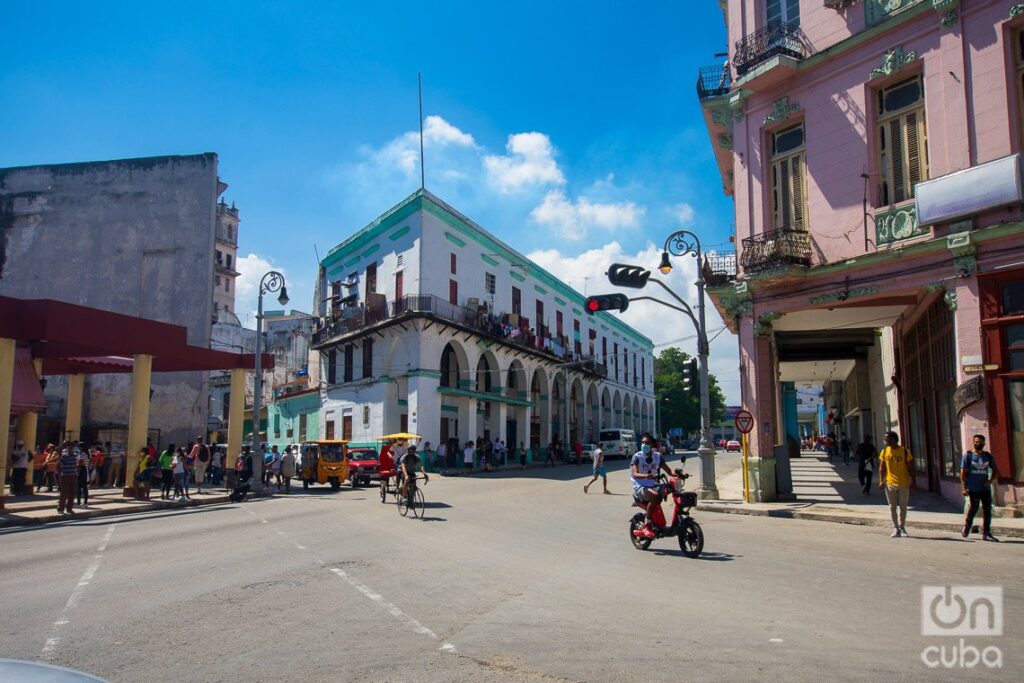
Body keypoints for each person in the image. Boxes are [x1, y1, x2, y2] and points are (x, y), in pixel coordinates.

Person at [630, 437, 673, 538]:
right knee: (655, 496)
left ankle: (662, 522)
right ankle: (647, 524)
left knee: (671, 488)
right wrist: (646, 476)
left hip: (654, 485)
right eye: (643, 442)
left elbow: (670, 472)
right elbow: (635, 474)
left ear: (652, 445)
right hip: (640, 486)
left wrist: (681, 474)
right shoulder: (637, 456)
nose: (644, 444)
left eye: (647, 442)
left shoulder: (657, 456)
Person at [960, 434, 1000, 542]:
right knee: (974, 508)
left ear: (984, 443)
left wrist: (990, 481)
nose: (977, 444)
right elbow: (962, 473)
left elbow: (996, 470)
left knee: (987, 510)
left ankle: (986, 533)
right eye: (976, 442)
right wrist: (963, 488)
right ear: (973, 443)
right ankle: (967, 527)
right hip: (973, 488)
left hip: (985, 488)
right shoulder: (968, 456)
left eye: (980, 442)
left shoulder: (987, 456)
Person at [878, 431, 914, 538]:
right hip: (889, 484)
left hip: (903, 483)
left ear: (893, 439)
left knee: (903, 506)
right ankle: (895, 527)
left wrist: (914, 481)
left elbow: (911, 467)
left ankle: (902, 527)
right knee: (892, 507)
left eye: (887, 439)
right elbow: (881, 468)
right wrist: (881, 481)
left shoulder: (904, 451)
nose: (885, 441)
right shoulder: (884, 451)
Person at [57, 441, 79, 514]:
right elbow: (59, 466)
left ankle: (69, 508)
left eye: (73, 447)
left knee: (72, 493)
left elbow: (77, 465)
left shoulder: (75, 456)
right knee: (64, 493)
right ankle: (61, 508)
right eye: (70, 447)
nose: (72, 449)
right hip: (66, 476)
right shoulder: (64, 456)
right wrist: (59, 476)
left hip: (73, 476)